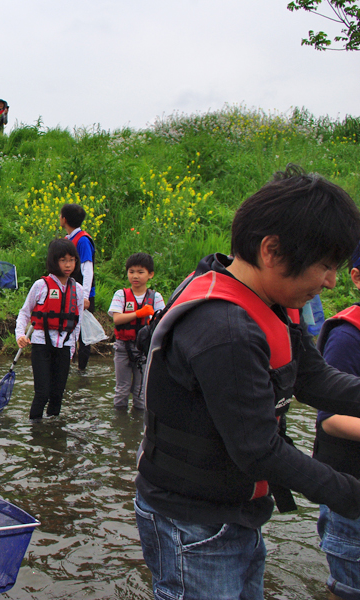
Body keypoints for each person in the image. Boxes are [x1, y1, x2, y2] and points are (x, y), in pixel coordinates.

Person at [134, 165, 360, 600]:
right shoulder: (225, 328)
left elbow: (313, 379)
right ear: (272, 250)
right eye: (325, 266)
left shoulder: (268, 300)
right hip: (195, 526)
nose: (331, 282)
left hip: (235, 513)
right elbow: (258, 449)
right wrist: (352, 493)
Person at [313, 247, 360, 600]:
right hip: (349, 485)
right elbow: (329, 419)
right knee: (348, 587)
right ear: (356, 278)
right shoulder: (348, 336)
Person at [15, 238, 84, 420]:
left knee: (57, 395)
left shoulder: (78, 290)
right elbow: (24, 313)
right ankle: (35, 432)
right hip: (41, 344)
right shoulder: (41, 286)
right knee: (42, 393)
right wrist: (20, 335)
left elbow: (78, 322)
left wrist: (72, 351)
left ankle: (53, 433)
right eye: (63, 260)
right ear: (54, 261)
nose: (68, 265)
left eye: (72, 260)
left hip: (65, 346)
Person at [107, 253, 164, 411]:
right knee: (122, 389)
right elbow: (117, 319)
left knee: (140, 391)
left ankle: (138, 425)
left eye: (140, 272)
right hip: (123, 347)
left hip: (145, 349)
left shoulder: (156, 297)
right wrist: (139, 313)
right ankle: (120, 424)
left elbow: (161, 322)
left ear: (150, 274)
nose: (135, 276)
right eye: (131, 271)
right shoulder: (121, 295)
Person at [60, 203, 96, 375]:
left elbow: (87, 268)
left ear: (64, 219)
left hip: (82, 295)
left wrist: (86, 296)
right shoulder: (67, 240)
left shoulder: (82, 240)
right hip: (68, 294)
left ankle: (82, 370)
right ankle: (66, 365)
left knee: (83, 335)